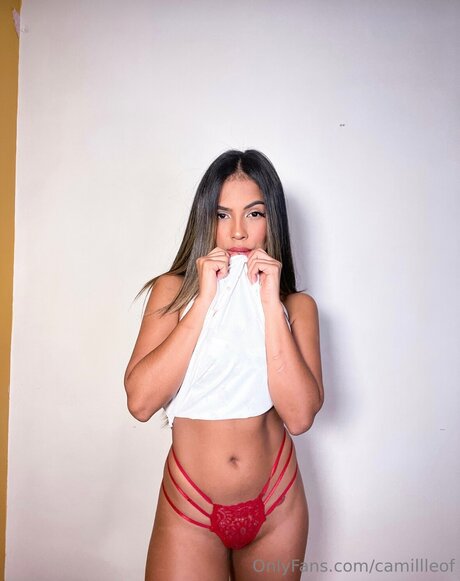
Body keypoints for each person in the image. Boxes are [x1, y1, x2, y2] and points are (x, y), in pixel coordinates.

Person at [124, 149, 324, 581]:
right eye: (222, 214)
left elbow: (299, 417)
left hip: (277, 502)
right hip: (189, 506)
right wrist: (204, 300)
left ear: (272, 220)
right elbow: (140, 403)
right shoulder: (171, 292)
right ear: (205, 219)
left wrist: (269, 304)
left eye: (254, 214)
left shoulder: (296, 307)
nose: (237, 232)